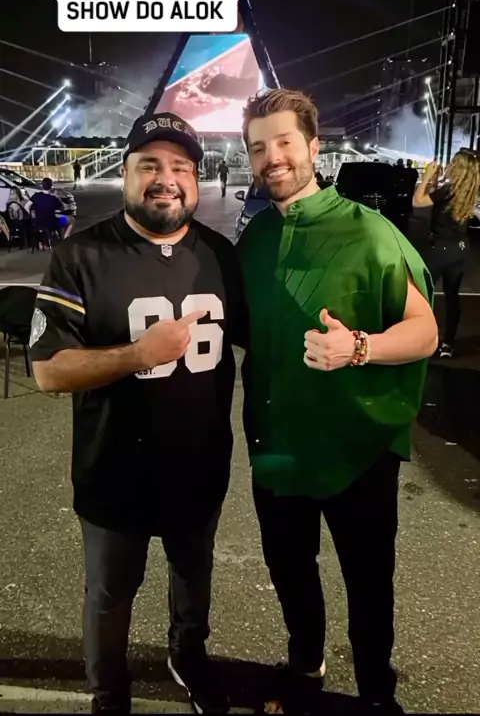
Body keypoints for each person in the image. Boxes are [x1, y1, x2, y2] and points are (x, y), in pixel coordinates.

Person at [29, 111, 246, 715]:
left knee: (193, 583)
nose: (165, 179)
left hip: (199, 467)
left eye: (181, 167)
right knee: (109, 594)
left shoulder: (222, 256)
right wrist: (137, 355)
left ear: (197, 179)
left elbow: (264, 340)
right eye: (149, 165)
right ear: (125, 173)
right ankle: (109, 691)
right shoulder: (81, 255)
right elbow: (47, 371)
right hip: (112, 471)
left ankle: (188, 659)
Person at [237, 88, 438, 715]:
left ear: (313, 146)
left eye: (284, 142)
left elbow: (425, 331)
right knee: (290, 566)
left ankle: (376, 688)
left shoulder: (368, 230)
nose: (272, 158)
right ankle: (305, 665)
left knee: (368, 578)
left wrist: (358, 347)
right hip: (277, 441)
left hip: (358, 446)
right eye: (258, 148)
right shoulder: (254, 239)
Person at [413, 150, 480, 358]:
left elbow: (418, 202)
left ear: (458, 167)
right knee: (452, 296)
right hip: (460, 249)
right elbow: (437, 201)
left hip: (441, 249)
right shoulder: (469, 190)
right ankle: (448, 344)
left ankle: (422, 338)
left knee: (421, 293)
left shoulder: (449, 189)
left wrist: (425, 177)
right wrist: (434, 182)